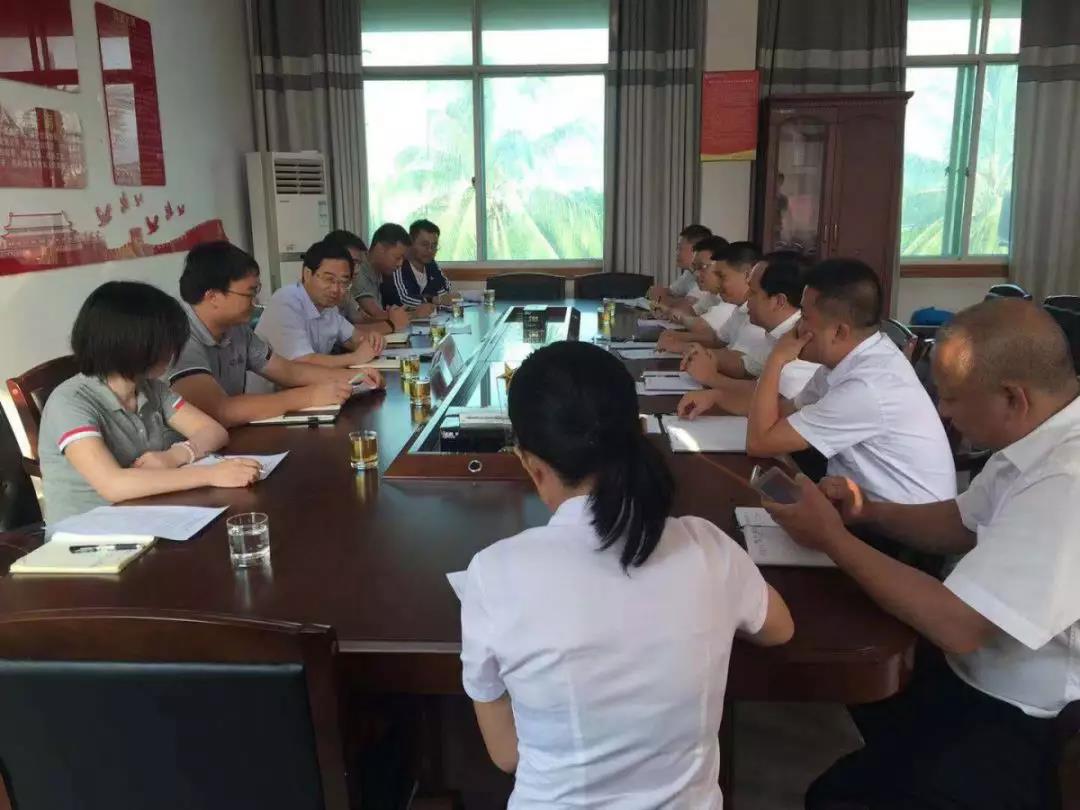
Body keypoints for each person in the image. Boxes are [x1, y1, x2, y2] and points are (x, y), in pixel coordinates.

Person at [765, 299, 1079, 810]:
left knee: (837, 798)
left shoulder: (1067, 479)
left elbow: (960, 626)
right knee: (864, 692)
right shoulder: (1034, 436)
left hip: (1026, 717)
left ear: (1012, 397)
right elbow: (960, 522)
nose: (943, 412)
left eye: (951, 398)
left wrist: (832, 539)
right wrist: (866, 513)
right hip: (970, 670)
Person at [457, 340, 794, 808]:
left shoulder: (493, 574)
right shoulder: (707, 547)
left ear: (531, 466)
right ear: (637, 432)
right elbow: (779, 629)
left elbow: (508, 754)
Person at [38, 281, 261, 523]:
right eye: (163, 342)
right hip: (87, 533)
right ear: (129, 343)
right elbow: (113, 484)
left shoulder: (150, 389)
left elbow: (213, 431)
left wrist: (174, 456)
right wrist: (210, 475)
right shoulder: (70, 402)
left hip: (144, 515)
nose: (172, 352)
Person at [745, 258, 956, 504]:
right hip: (861, 505)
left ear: (839, 332)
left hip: (902, 523)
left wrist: (776, 359)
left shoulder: (867, 385)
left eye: (804, 317)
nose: (797, 328)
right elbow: (779, 415)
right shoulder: (847, 361)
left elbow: (759, 442)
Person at [168, 241, 381, 428]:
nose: (256, 301)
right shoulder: (180, 337)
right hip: (182, 452)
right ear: (213, 296)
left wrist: (354, 378)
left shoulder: (237, 330)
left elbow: (288, 371)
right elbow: (221, 410)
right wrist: (309, 396)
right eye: (249, 293)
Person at [678, 252, 821, 416]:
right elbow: (751, 371)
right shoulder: (775, 333)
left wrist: (712, 379)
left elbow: (770, 401)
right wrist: (709, 358)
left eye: (752, 293)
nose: (746, 301)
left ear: (779, 301)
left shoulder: (803, 342)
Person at [255, 239, 385, 369]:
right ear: (307, 274)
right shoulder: (286, 302)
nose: (336, 289)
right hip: (277, 383)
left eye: (343, 282)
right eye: (329, 279)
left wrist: (373, 340)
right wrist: (355, 358)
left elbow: (353, 338)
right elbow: (302, 362)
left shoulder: (329, 308)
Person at [656, 241, 762, 354]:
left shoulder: (757, 314)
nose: (718, 283)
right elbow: (716, 340)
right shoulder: (739, 309)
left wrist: (685, 347)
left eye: (722, 276)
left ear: (748, 275)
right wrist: (676, 337)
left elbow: (741, 360)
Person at [349, 223, 422, 329]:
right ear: (380, 249)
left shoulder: (380, 270)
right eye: (397, 258)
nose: (400, 264)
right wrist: (415, 314)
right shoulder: (358, 270)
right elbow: (376, 315)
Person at [382, 219, 452, 309]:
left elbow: (445, 290)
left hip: (430, 317)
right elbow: (403, 299)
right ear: (410, 242)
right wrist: (432, 299)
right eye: (424, 244)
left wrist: (436, 299)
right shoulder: (398, 263)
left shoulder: (431, 264)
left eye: (434, 245)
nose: (430, 250)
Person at [647, 224, 714, 310]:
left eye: (680, 248)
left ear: (696, 250)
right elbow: (669, 291)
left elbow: (684, 308)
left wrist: (662, 298)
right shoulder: (689, 273)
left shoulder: (706, 276)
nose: (676, 253)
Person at [323, 229, 372, 326]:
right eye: (352, 262)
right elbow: (352, 332)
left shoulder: (345, 292)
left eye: (358, 264)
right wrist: (391, 324)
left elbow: (361, 321)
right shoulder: (322, 294)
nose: (356, 270)